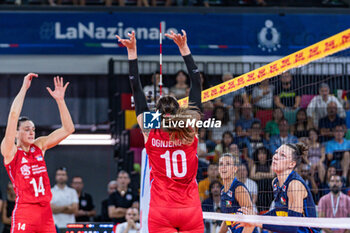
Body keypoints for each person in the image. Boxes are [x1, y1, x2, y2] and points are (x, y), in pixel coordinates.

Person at [116, 29, 204, 232]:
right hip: (190, 209)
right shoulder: (190, 128)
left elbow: (136, 90)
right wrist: (184, 49)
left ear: (156, 115)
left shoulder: (150, 130)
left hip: (162, 210)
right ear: (180, 111)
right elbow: (197, 83)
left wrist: (132, 54)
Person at [1, 74, 75, 233]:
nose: (31, 132)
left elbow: (69, 129)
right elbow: (13, 116)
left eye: (33, 129)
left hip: (46, 212)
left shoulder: (39, 146)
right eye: (26, 129)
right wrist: (24, 89)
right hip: (25, 211)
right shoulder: (10, 151)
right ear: (16, 133)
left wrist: (60, 101)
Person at [237, 143, 320, 233]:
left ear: (291, 164)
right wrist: (255, 217)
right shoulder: (275, 182)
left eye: (282, 155)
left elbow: (292, 228)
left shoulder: (294, 185)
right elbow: (278, 212)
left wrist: (257, 221)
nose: (275, 157)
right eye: (276, 152)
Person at [218, 153, 256, 233]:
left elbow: (251, 218)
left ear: (234, 169)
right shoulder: (222, 190)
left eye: (228, 164)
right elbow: (226, 220)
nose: (223, 167)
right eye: (221, 164)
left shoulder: (239, 189)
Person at [249, 146, 274, 213]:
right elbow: (252, 176)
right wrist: (266, 175)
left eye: (263, 153)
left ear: (267, 155)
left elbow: (272, 175)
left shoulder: (270, 165)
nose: (261, 156)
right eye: (259, 154)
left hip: (269, 190)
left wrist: (259, 174)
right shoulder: (255, 165)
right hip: (258, 191)